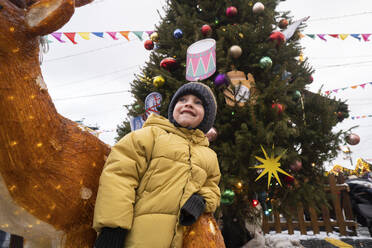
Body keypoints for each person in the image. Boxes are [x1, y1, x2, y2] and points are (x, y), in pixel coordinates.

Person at [93, 82, 221, 248]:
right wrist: (113, 228)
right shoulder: (149, 136)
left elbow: (212, 188)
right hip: (137, 237)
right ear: (173, 108)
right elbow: (119, 178)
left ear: (207, 117)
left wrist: (201, 200)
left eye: (198, 102)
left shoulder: (209, 156)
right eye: (182, 100)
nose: (188, 103)